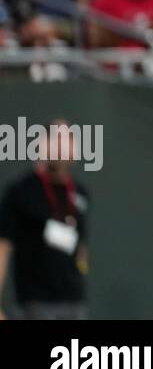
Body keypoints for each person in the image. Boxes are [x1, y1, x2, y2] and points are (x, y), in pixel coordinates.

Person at [0, 120, 90, 320]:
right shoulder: (21, 192)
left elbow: (80, 247)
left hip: (74, 303)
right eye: (56, 139)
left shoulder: (81, 194)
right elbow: (3, 247)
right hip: (35, 304)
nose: (62, 146)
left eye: (67, 139)